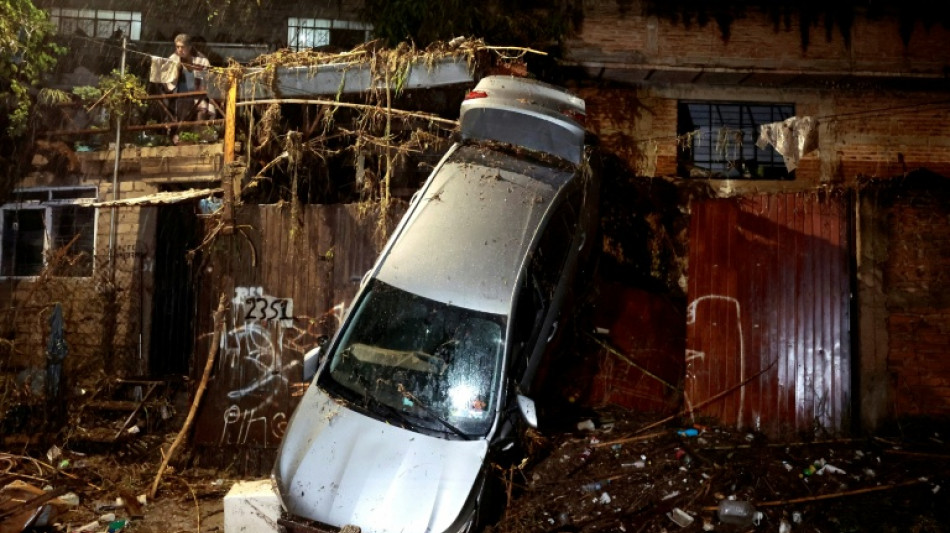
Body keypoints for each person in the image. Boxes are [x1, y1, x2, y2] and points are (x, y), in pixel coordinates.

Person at [164, 34, 212, 141]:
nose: (180, 50)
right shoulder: (173, 59)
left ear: (189, 47)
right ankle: (178, 140)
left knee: (200, 116)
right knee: (180, 121)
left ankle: (197, 140)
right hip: (179, 98)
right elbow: (167, 81)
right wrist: (176, 70)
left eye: (182, 47)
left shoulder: (201, 60)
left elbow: (209, 79)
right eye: (177, 47)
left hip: (198, 97)